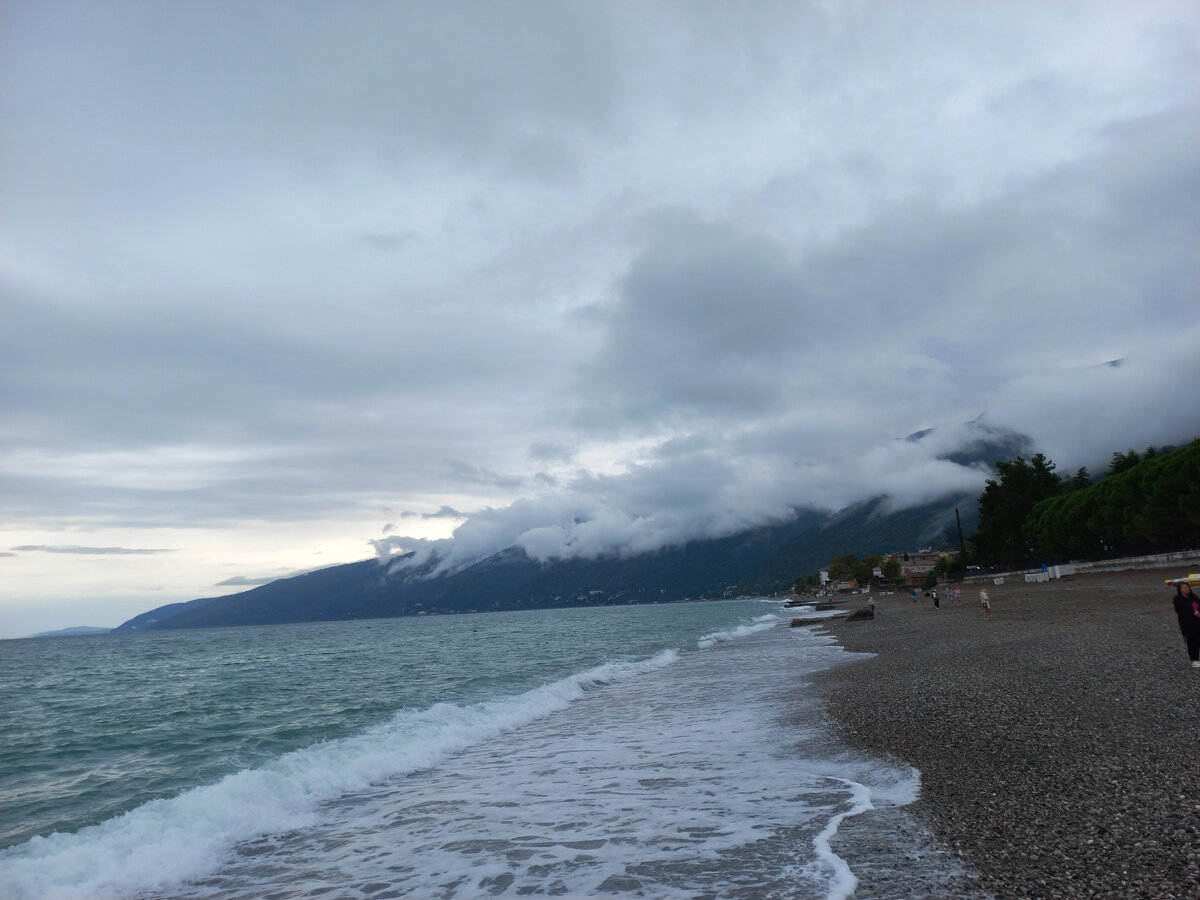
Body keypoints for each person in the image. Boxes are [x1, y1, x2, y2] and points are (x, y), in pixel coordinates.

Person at [1171, 582, 1200, 668]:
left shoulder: (1193, 597)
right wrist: (1193, 613)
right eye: (1184, 588)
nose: (1186, 589)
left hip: (1198, 622)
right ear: (1180, 589)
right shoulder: (1178, 598)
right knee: (1191, 641)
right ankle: (1194, 660)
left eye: (1187, 587)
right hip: (1188, 623)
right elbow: (1179, 610)